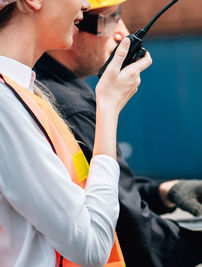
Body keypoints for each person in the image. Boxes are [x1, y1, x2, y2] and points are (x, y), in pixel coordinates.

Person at [34, 0, 202, 266]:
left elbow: (95, 189)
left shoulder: (41, 87)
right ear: (74, 21)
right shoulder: (72, 108)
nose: (122, 31)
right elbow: (136, 237)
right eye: (109, 19)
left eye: (121, 16)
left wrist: (165, 191)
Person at [0, 0, 153, 266]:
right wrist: (108, 107)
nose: (85, 3)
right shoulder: (5, 104)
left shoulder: (20, 93)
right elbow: (92, 247)